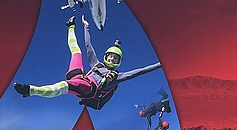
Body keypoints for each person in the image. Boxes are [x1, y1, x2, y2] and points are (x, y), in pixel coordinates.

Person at [14, 16, 160, 110]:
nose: (111, 59)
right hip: (81, 77)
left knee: (64, 85)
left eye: (115, 59)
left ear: (118, 62)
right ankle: (70, 26)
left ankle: (31, 91)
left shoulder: (116, 76)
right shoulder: (97, 64)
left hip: (89, 88)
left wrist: (160, 65)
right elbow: (88, 46)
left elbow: (139, 72)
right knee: (76, 52)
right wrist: (86, 27)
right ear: (106, 56)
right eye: (110, 56)